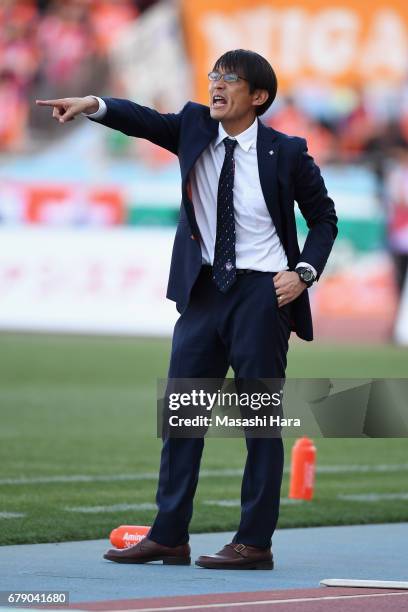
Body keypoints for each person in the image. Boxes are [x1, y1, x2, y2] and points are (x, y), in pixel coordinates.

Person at [37, 49, 337, 570]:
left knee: (259, 423)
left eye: (230, 80)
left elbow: (324, 219)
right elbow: (143, 120)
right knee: (182, 418)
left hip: (261, 297)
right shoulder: (195, 126)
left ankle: (254, 542)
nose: (216, 86)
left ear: (259, 96)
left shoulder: (287, 152)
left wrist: (304, 272)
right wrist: (92, 104)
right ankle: (170, 535)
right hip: (201, 294)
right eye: (213, 76)